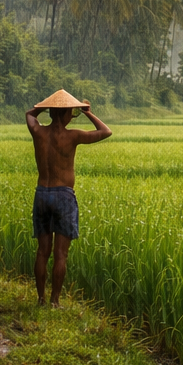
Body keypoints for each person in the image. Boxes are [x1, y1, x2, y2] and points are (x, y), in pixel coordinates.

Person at [26, 90, 112, 307]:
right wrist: (87, 113)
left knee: (42, 251)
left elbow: (30, 114)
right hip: (63, 194)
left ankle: (40, 299)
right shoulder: (73, 136)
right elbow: (106, 131)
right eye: (71, 113)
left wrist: (46, 105)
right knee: (60, 254)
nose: (72, 116)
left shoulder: (38, 132)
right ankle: (55, 301)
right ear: (65, 114)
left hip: (42, 194)